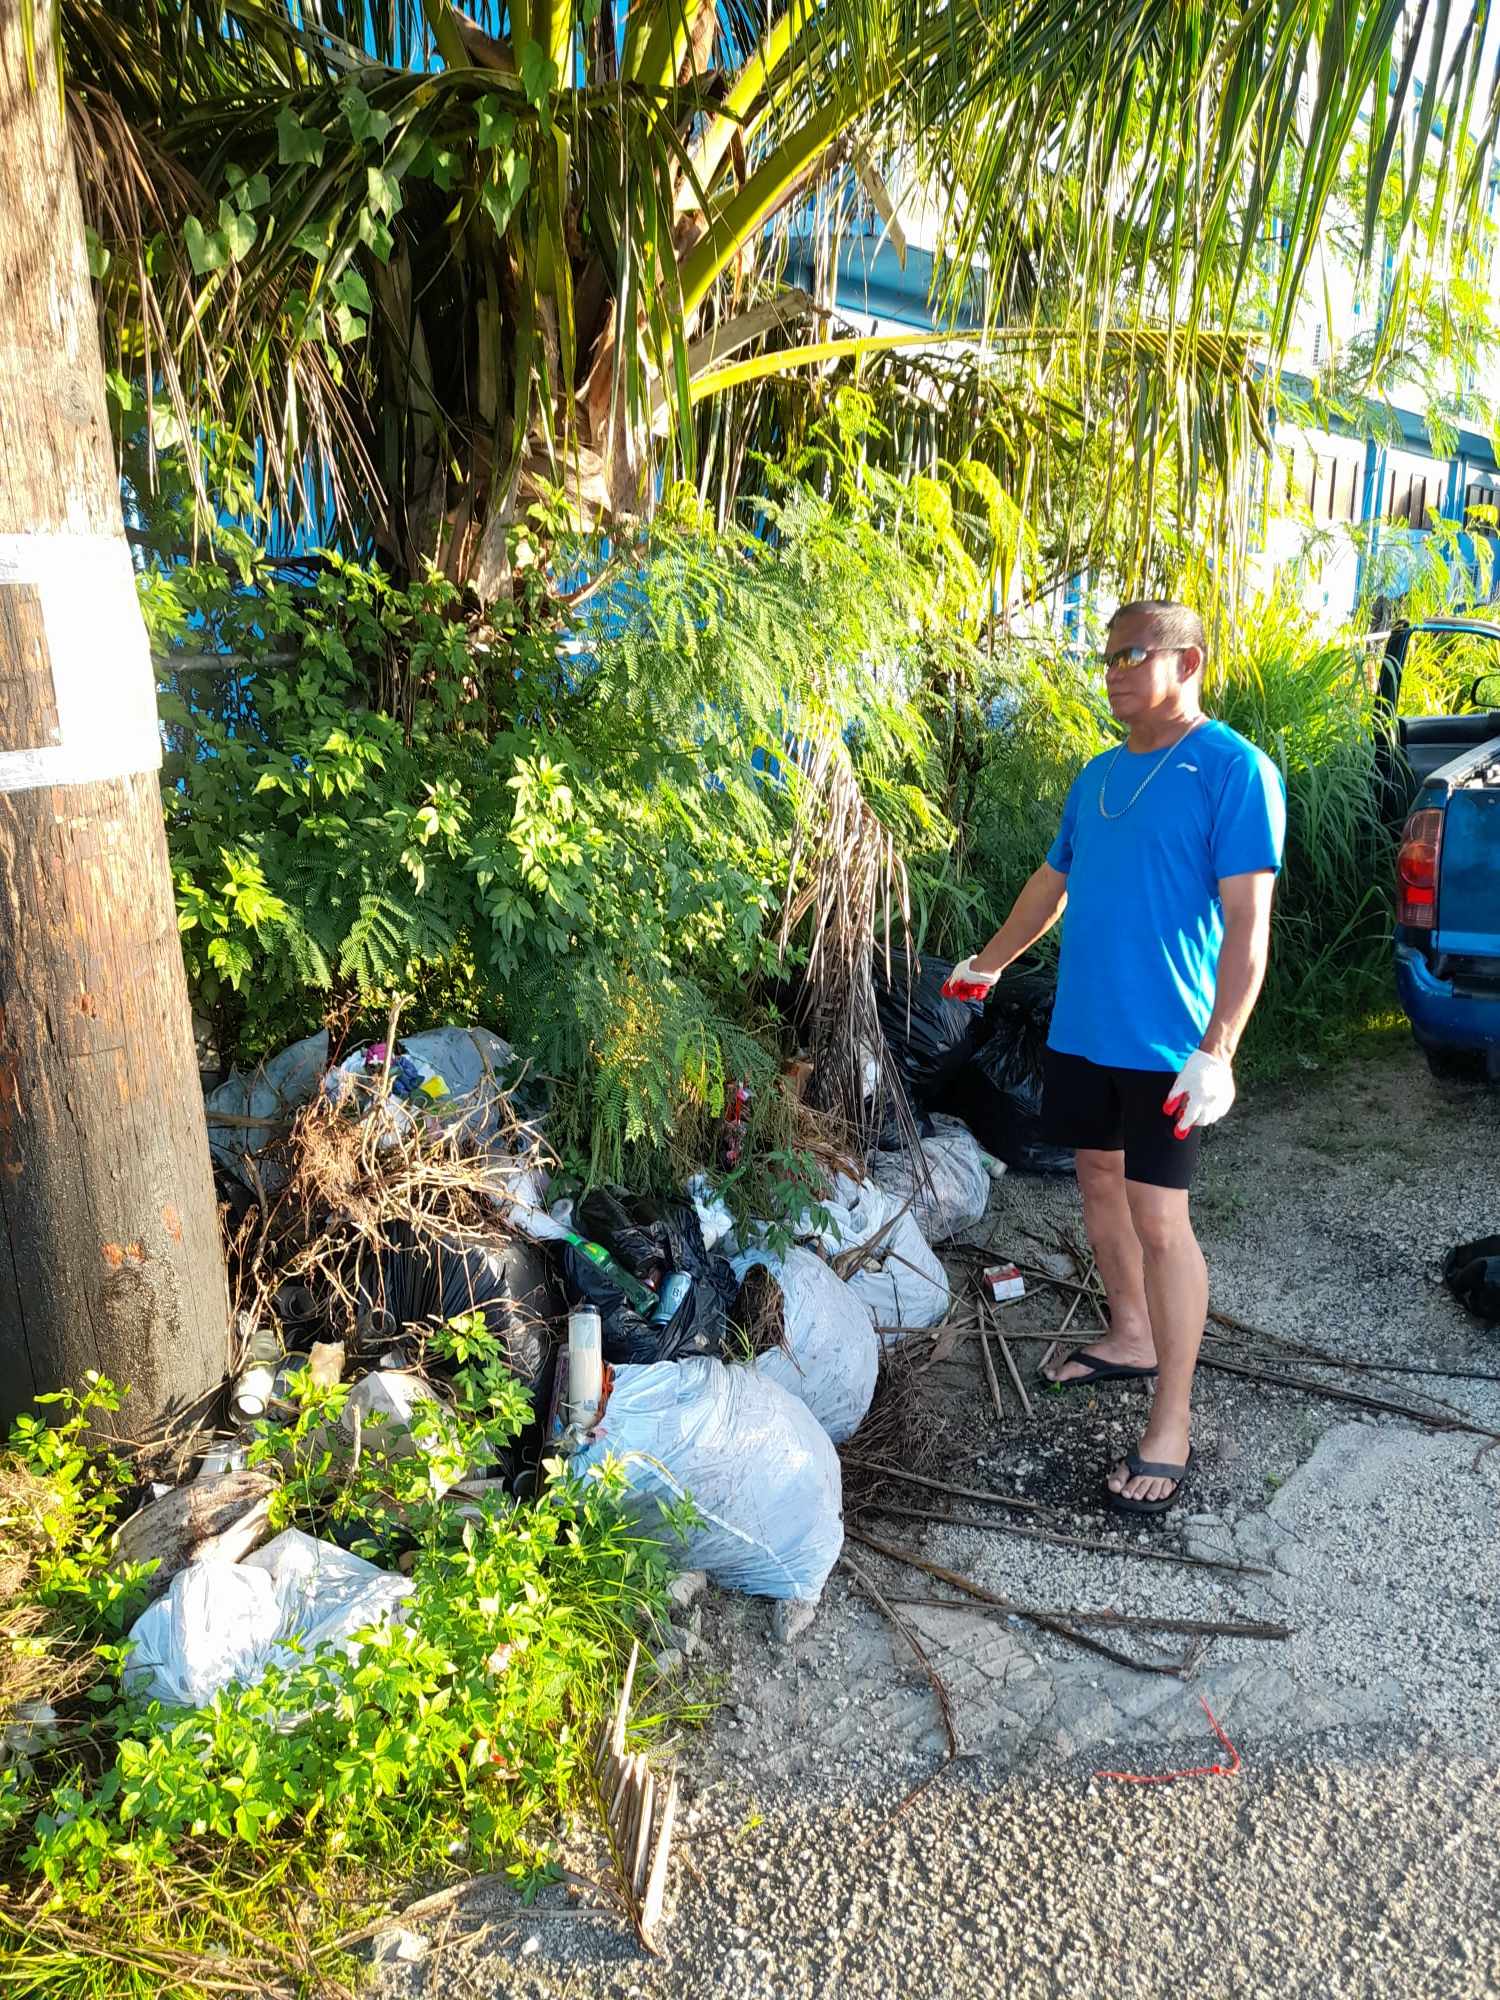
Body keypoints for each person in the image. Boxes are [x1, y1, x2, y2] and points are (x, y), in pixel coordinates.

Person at [943, 601, 1286, 1516]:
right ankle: (1130, 1332)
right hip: (1083, 1033)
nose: (1113, 671)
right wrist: (989, 963)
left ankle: (1170, 1418)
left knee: (1161, 1220)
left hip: (1168, 1046)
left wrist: (1220, 1049)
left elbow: (1248, 926)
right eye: (1107, 657)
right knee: (1096, 1182)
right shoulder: (1096, 776)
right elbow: (1049, 886)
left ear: (1190, 661)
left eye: (1133, 654)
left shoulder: (1233, 772)